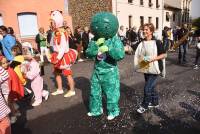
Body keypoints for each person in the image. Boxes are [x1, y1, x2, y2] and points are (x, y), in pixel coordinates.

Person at [86, 12, 125, 120]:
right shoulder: (95, 40)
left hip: (110, 71)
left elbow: (120, 55)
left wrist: (109, 49)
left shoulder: (114, 39)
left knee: (111, 93)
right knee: (94, 91)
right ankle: (96, 110)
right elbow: (88, 52)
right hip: (97, 70)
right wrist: (95, 50)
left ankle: (113, 111)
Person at [134, 23, 166, 113]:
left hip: (155, 68)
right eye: (144, 29)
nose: (144, 31)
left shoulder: (157, 42)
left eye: (146, 30)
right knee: (151, 87)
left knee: (147, 88)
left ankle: (144, 105)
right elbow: (137, 53)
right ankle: (155, 102)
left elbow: (164, 54)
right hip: (146, 67)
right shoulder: (142, 42)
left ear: (151, 31)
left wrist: (153, 59)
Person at [50, 10, 77, 98]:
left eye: (53, 22)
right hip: (57, 54)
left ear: (57, 22)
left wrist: (57, 58)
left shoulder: (62, 33)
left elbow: (62, 47)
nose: (51, 24)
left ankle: (72, 90)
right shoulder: (55, 32)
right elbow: (53, 45)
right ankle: (60, 89)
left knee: (68, 74)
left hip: (63, 56)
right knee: (57, 73)